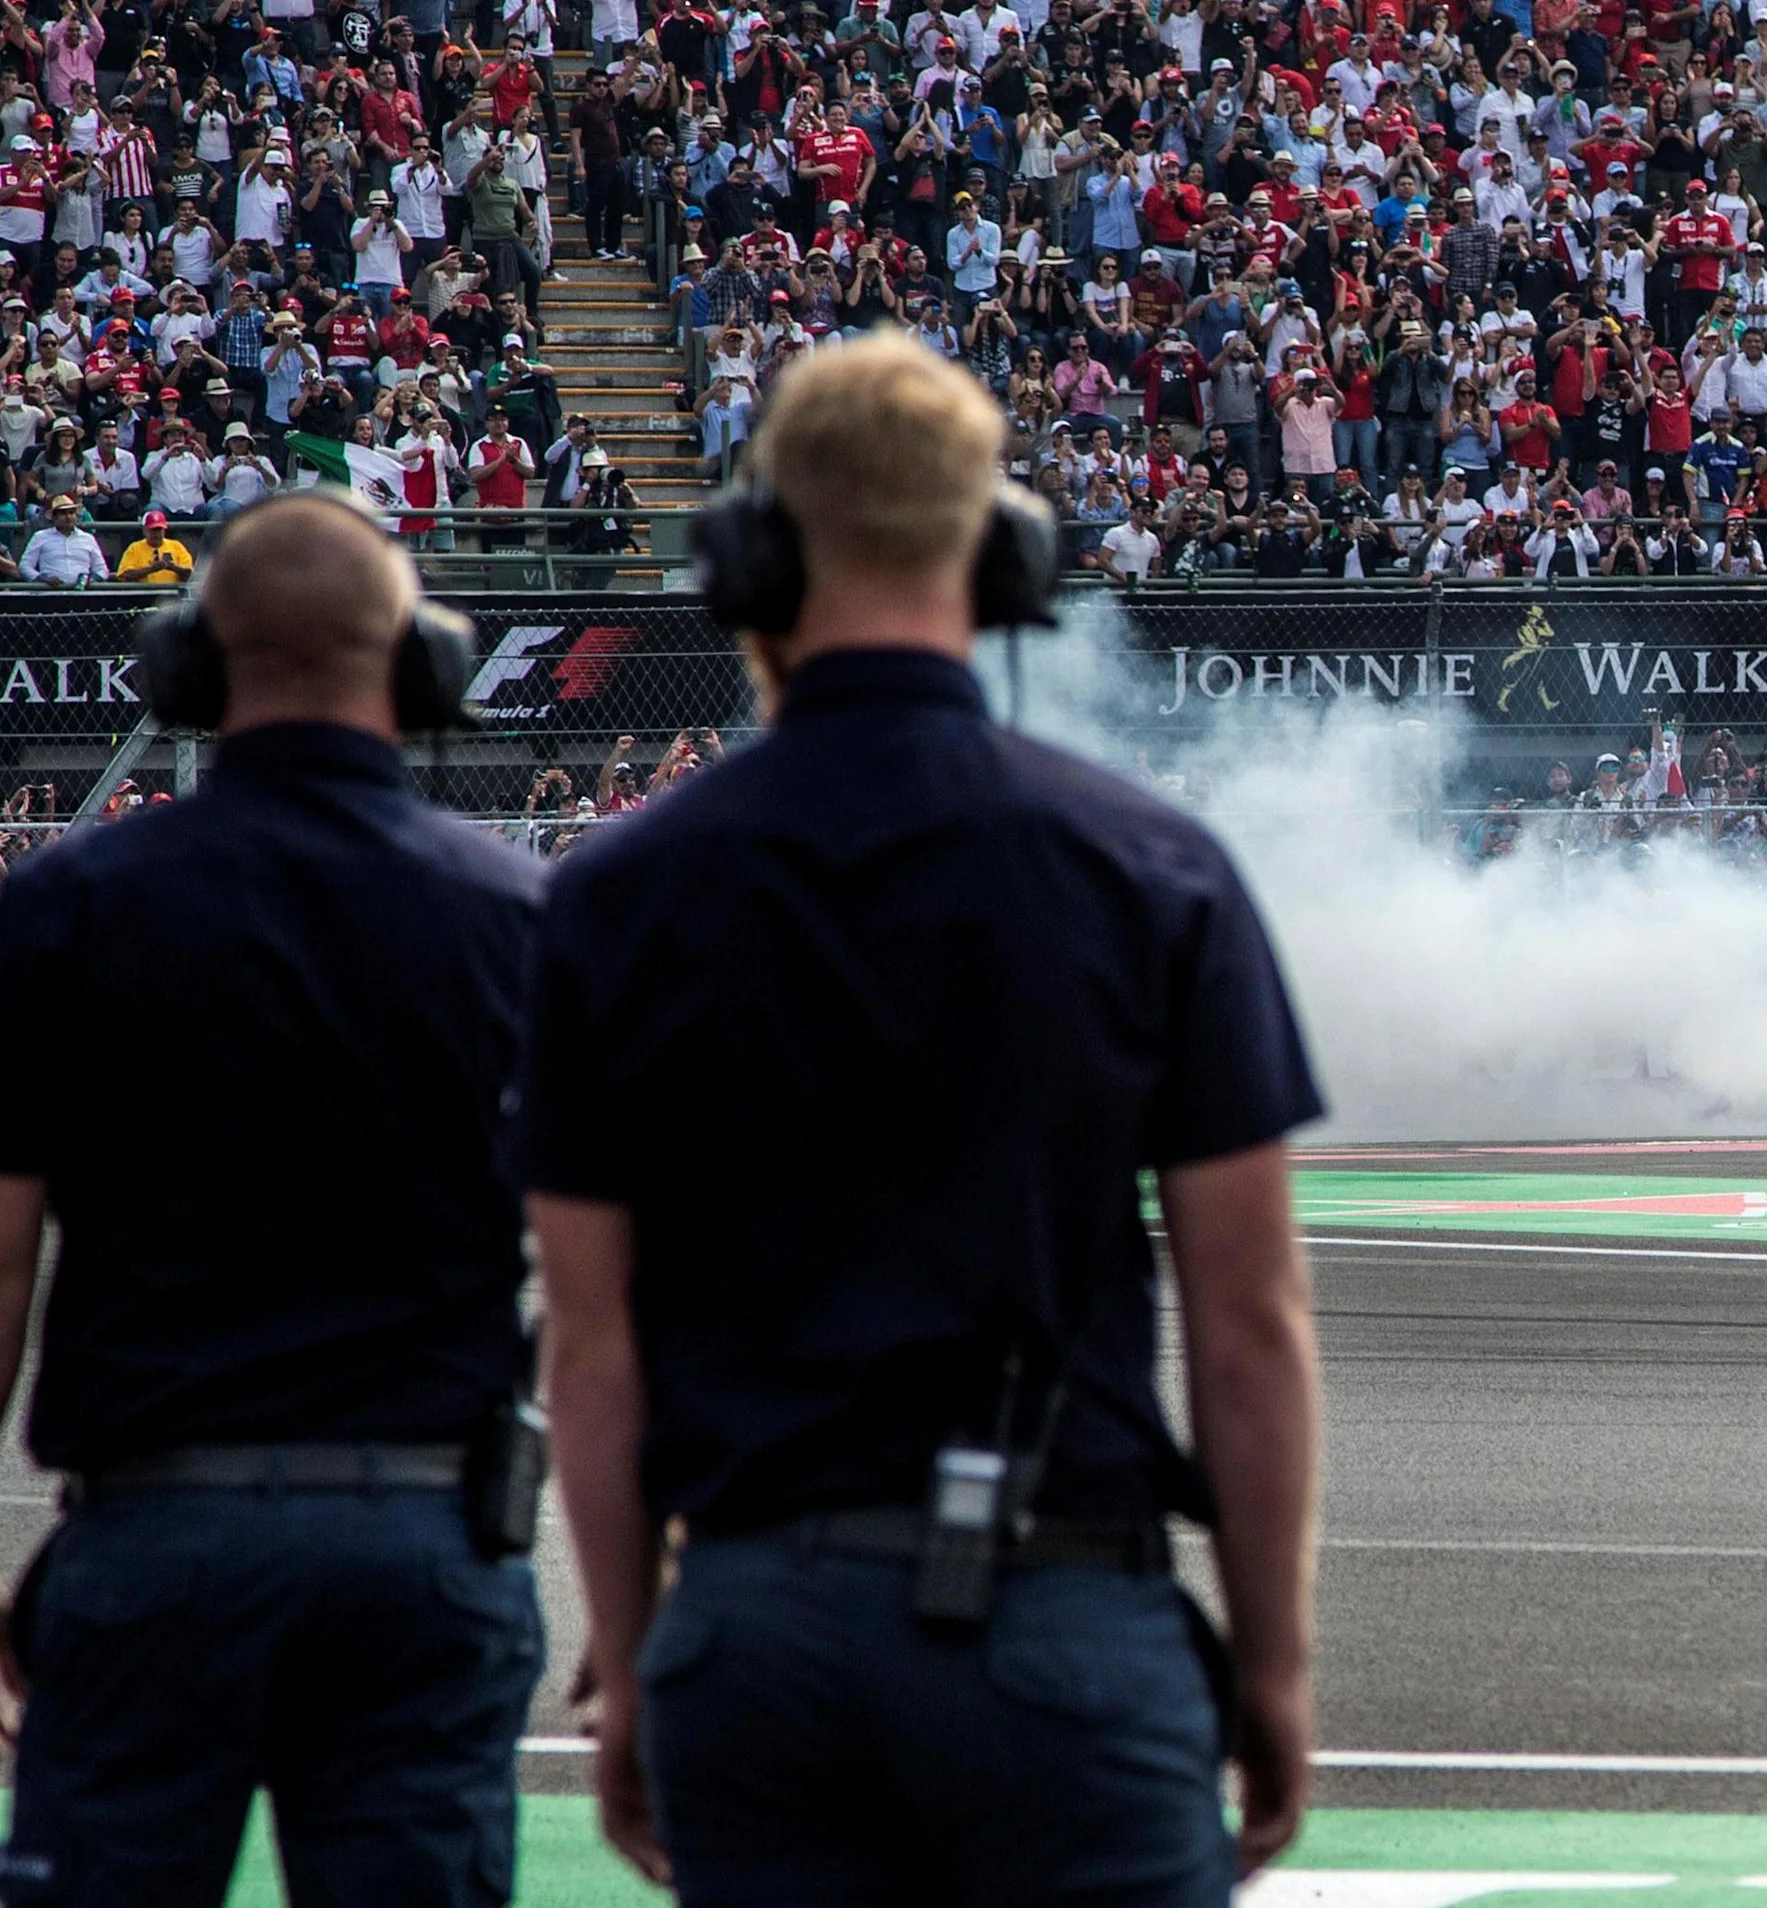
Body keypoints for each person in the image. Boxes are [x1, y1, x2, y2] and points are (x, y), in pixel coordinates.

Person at [523, 333, 1325, 1905]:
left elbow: (591, 1343)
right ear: (1007, 557)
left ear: (747, 562)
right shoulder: (1150, 869)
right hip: (1070, 1619)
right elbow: (1250, 1321)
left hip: (757, 1630)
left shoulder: (617, 895)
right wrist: (1276, 1669)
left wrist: (631, 1660)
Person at [0, 495, 548, 1907]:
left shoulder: (75, 904)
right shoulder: (518, 916)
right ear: (423, 666)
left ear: (191, 667)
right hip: (427, 1542)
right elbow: (612, 1285)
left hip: (157, 1541)